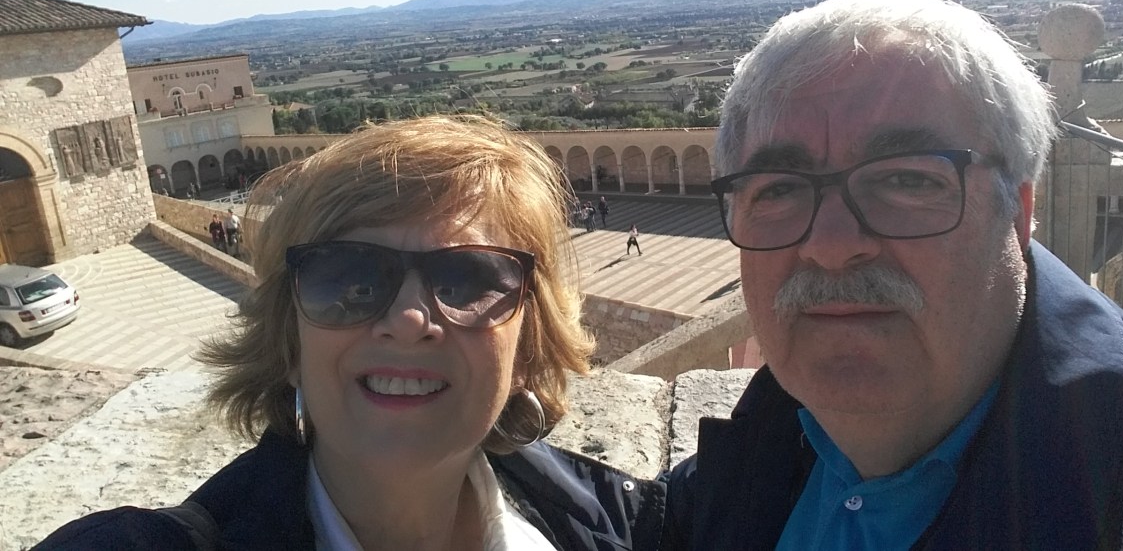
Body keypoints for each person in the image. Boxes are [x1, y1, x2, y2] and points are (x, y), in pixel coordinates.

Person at [661, 0, 1123, 550]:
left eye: (908, 179)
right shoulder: (768, 439)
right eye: (778, 189)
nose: (831, 246)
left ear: (1017, 212)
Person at [37, 116, 665, 550]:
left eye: (468, 278)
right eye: (350, 279)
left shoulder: (632, 527)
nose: (409, 320)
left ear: (528, 343)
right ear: (288, 342)